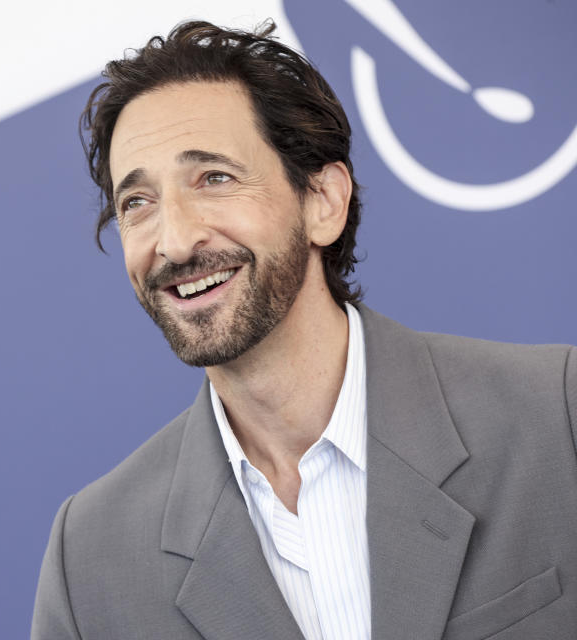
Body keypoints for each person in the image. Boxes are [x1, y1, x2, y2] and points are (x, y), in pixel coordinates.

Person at [32, 20, 577, 640]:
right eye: (138, 203)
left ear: (323, 201)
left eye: (214, 178)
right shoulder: (91, 558)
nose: (175, 240)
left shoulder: (556, 417)